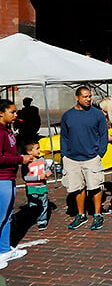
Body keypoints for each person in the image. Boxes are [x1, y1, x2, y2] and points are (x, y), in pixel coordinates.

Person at [60, 86, 108, 231]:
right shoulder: (68, 115)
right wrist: (64, 155)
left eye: (89, 96)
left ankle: (98, 214)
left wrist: (100, 153)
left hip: (92, 157)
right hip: (72, 159)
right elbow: (64, 137)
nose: (88, 99)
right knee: (77, 188)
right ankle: (81, 215)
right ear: (77, 98)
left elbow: (103, 135)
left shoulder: (97, 115)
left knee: (95, 187)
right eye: (85, 97)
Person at [0, 99, 33, 267]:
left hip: (9, 178)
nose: (15, 114)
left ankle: (4, 250)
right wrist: (21, 158)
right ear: (1, 113)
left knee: (6, 216)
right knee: (0, 217)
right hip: (2, 179)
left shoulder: (7, 130)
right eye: (12, 112)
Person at [21, 141, 52, 231]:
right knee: (33, 205)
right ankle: (32, 218)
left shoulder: (42, 160)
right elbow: (25, 177)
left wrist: (47, 173)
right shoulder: (26, 164)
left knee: (44, 204)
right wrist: (38, 177)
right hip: (31, 188)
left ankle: (42, 220)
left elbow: (46, 169)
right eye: (37, 148)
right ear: (29, 152)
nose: (39, 150)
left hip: (42, 187)